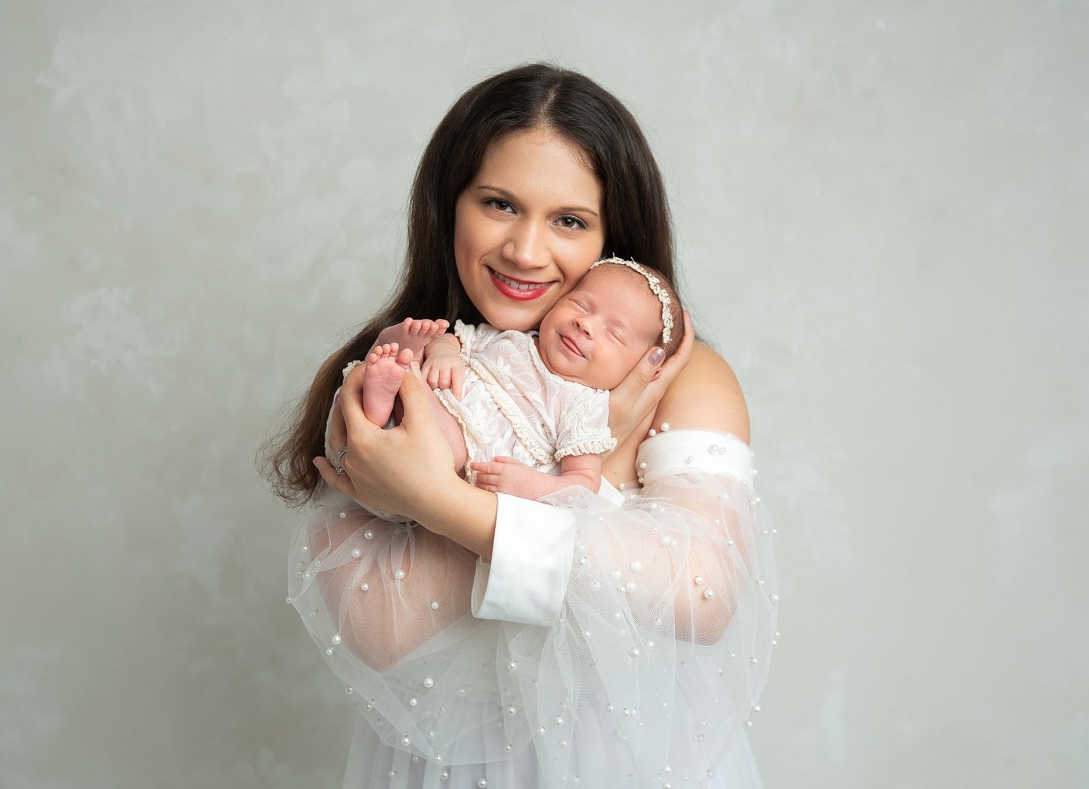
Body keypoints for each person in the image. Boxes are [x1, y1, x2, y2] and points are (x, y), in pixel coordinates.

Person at [265, 63, 777, 788]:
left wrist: (438, 501)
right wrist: (561, 484)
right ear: (450, 206)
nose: (526, 252)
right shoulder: (400, 366)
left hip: (628, 763)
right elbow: (378, 631)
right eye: (500, 204)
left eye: (569, 220)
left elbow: (705, 597)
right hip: (445, 763)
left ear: (615, 236)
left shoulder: (681, 381)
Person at [328, 258, 686, 503]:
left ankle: (393, 383)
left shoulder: (585, 407)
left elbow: (582, 486)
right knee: (412, 373)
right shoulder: (513, 337)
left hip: (452, 458)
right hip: (428, 404)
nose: (586, 325)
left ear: (640, 367)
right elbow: (456, 338)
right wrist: (444, 353)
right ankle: (391, 381)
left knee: (446, 446)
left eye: (614, 334)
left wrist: (529, 485)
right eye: (581, 305)